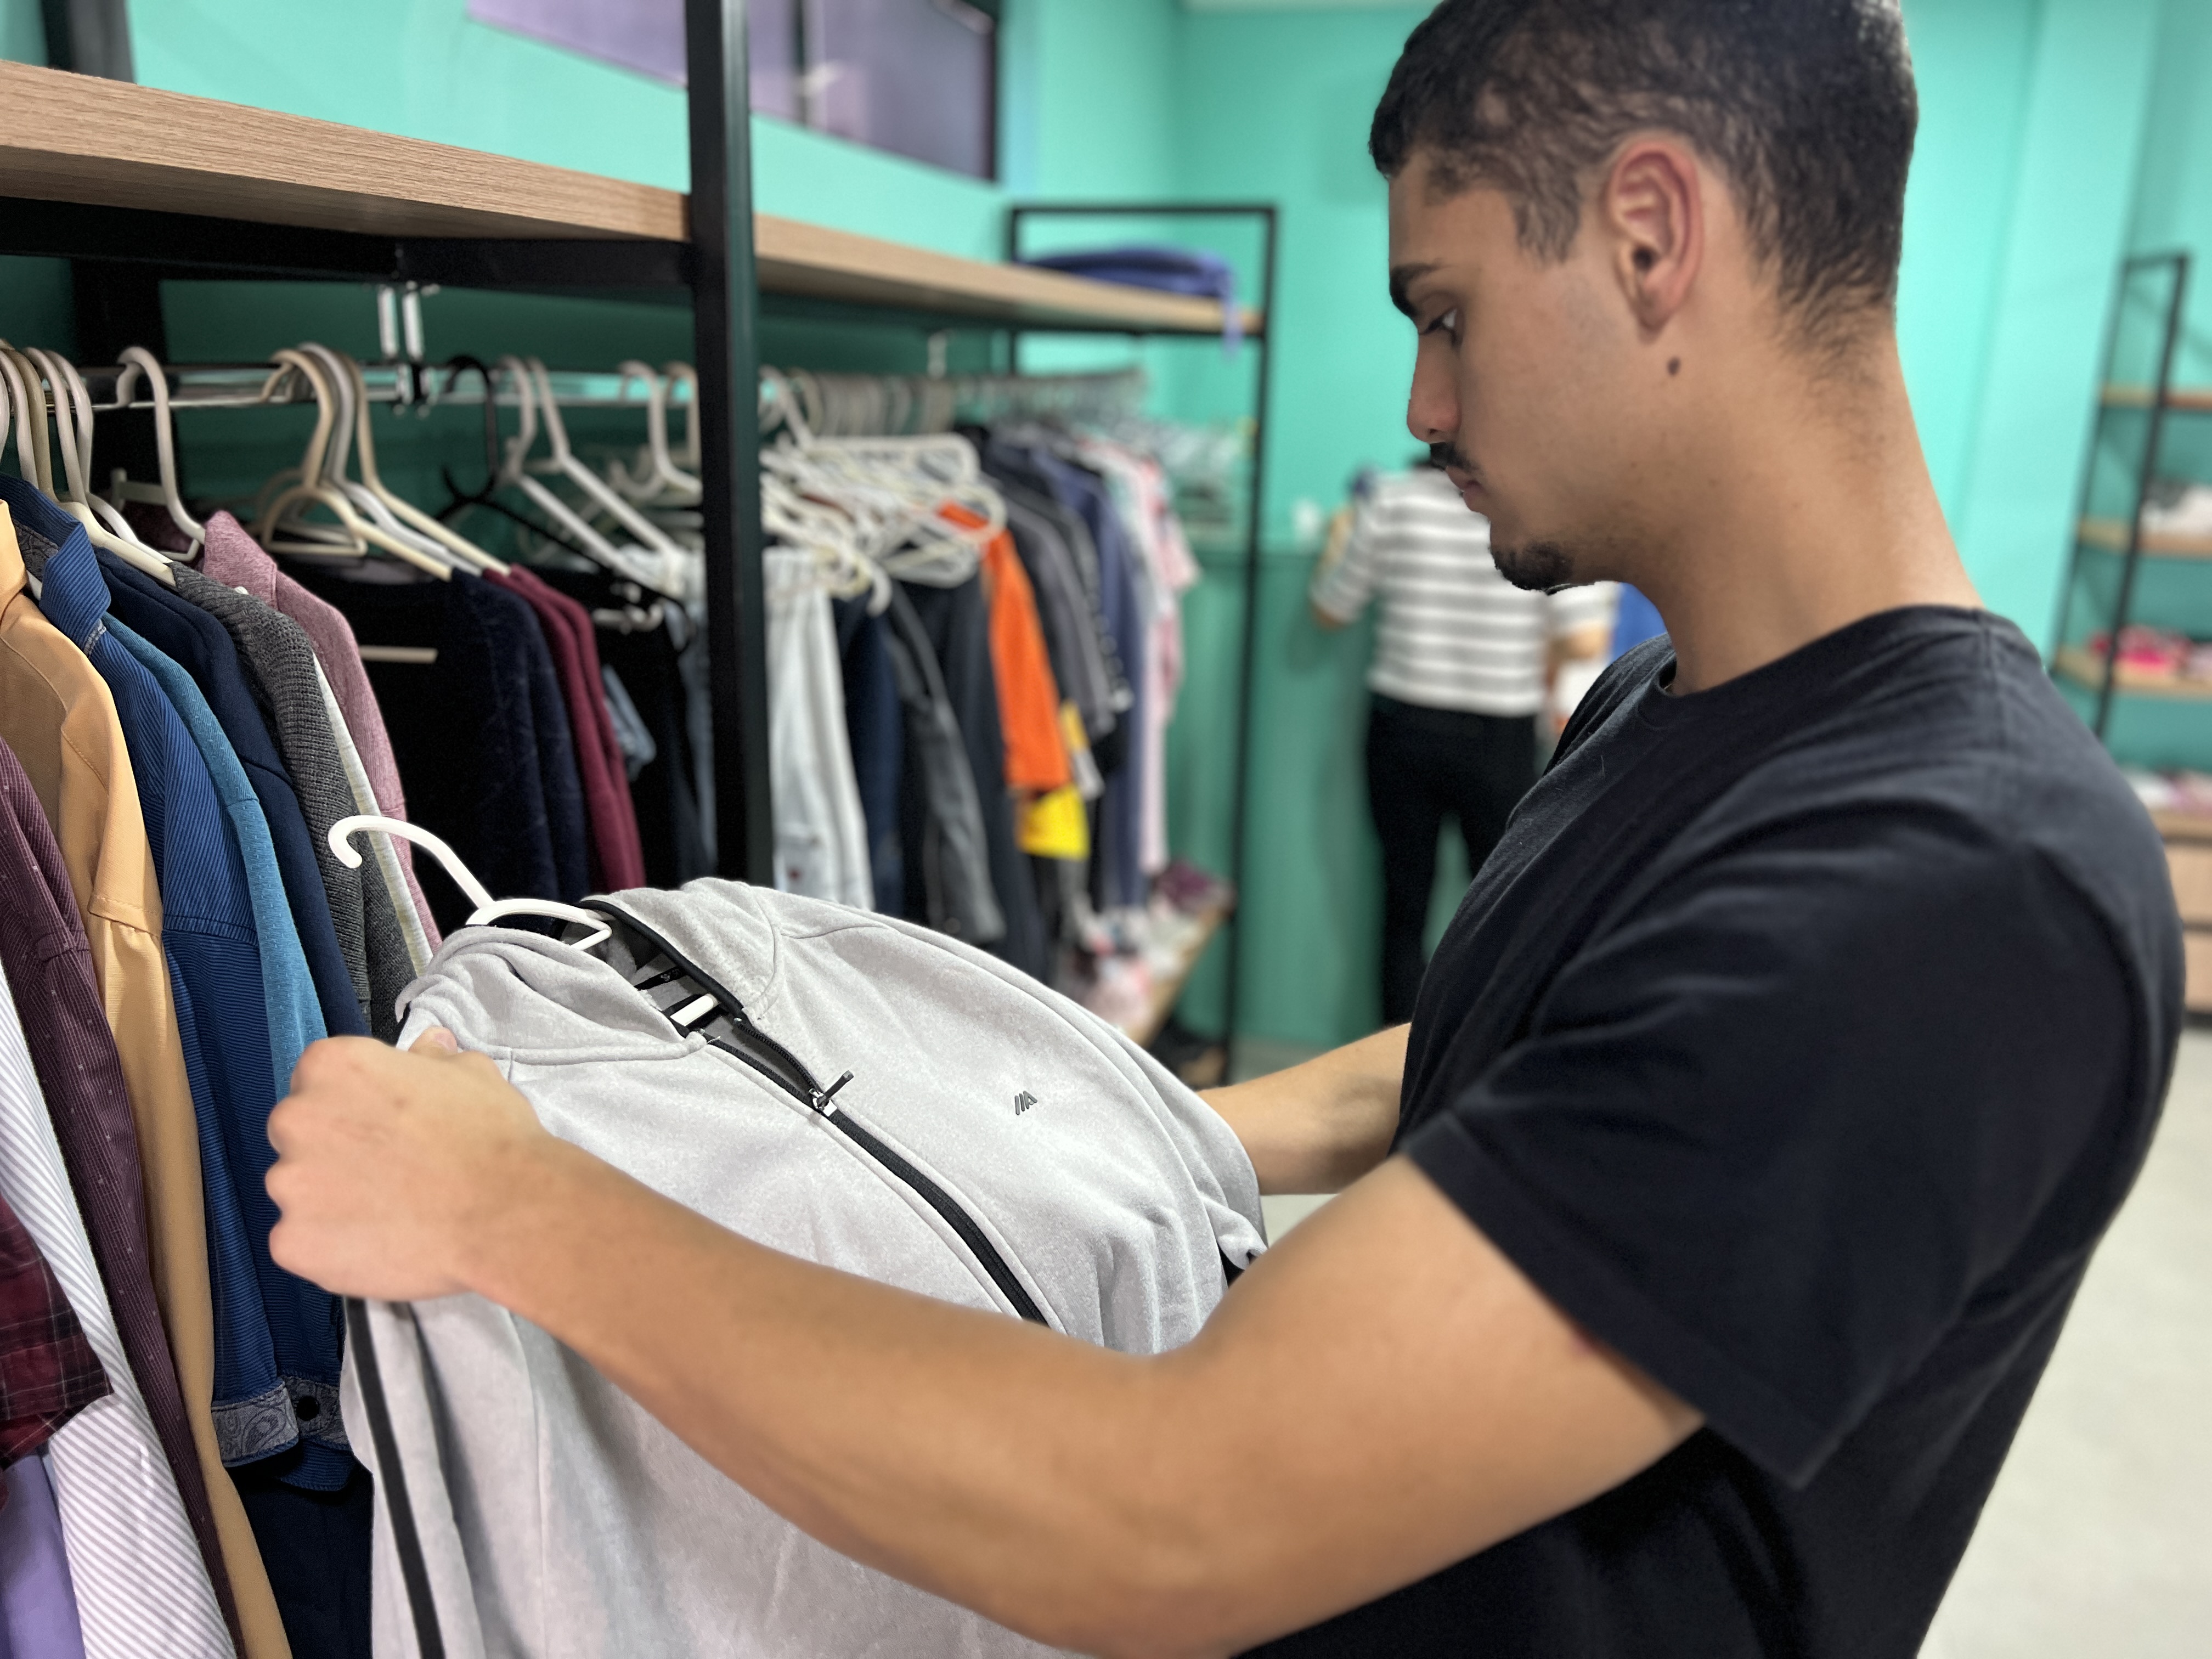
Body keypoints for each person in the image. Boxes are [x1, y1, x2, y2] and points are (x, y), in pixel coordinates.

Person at [263, 3, 2181, 1655]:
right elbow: (1520, 1079)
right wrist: (1046, 1125)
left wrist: (515, 1208)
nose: (1425, 402)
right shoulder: (1676, 712)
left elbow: (1169, 1511)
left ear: (1653, 233)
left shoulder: (1958, 880)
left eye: (1447, 312)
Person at [1310, 459, 1613, 1023]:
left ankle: (1398, 1059)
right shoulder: (1537, 504)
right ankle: (1480, 1048)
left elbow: (1330, 610)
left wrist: (1338, 537)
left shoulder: (1392, 501)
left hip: (1404, 725)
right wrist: (1533, 655)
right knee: (1501, 906)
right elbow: (1585, 638)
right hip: (1500, 732)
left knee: (1404, 904)